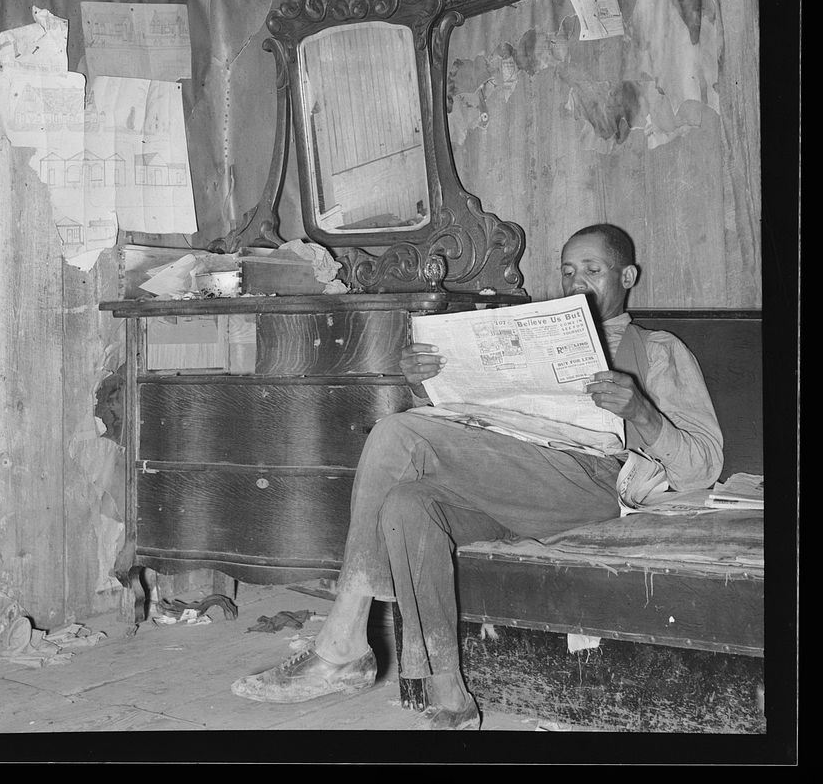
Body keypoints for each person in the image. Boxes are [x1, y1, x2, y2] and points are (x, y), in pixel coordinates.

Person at [231, 224, 724, 729]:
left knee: (396, 434)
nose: (577, 283)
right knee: (407, 504)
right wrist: (428, 385)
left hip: (590, 486)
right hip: (509, 483)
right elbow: (475, 428)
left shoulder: (659, 350)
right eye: (568, 271)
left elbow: (703, 464)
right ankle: (450, 697)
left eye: (592, 271)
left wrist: (641, 413)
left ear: (628, 275)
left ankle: (342, 641)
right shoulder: (530, 334)